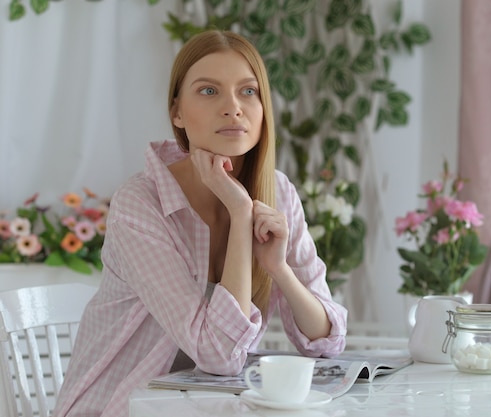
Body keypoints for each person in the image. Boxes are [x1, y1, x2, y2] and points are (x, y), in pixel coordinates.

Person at [52, 30, 347, 417]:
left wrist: (279, 269)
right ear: (176, 112)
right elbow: (219, 355)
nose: (233, 108)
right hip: (115, 406)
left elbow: (324, 344)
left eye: (248, 91)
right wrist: (240, 214)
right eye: (209, 91)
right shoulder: (141, 204)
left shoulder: (277, 192)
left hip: (208, 407)